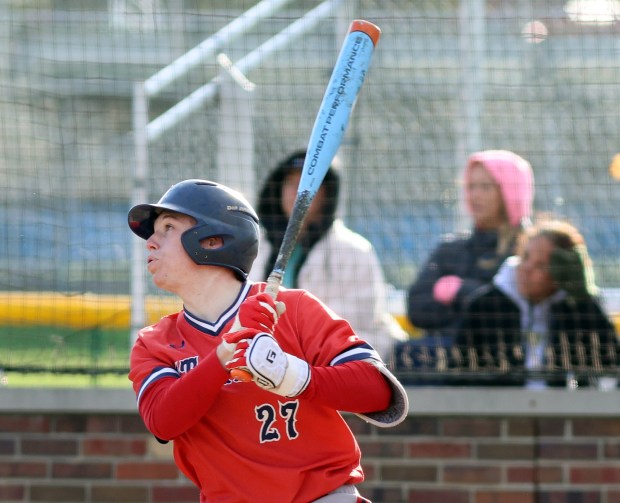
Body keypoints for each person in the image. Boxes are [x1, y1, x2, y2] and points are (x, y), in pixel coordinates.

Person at [127, 179, 408, 503]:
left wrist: (291, 375)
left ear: (214, 240)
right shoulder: (153, 343)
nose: (150, 241)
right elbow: (163, 422)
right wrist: (224, 356)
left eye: (168, 227)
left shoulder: (294, 308)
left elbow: (377, 392)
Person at [249, 150, 408, 363]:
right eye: (290, 183)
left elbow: (356, 323)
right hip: (266, 362)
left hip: (335, 365)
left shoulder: (355, 251)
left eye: (308, 183)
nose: (297, 192)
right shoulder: (257, 246)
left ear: (327, 194)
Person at [397, 150, 535, 380]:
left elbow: (513, 314)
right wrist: (468, 308)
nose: (475, 195)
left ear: (510, 192)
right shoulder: (450, 249)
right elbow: (417, 309)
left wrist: (462, 292)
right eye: (470, 187)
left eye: (485, 187)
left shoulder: (529, 251)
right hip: (442, 359)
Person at [455, 218, 619, 388]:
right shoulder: (485, 307)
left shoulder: (574, 310)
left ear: (560, 275)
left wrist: (581, 298)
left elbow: (610, 362)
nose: (526, 268)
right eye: (525, 257)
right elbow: (456, 375)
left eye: (540, 266)